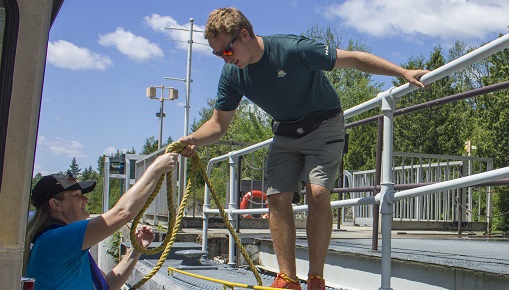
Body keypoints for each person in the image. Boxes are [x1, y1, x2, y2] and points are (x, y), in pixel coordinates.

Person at [175, 7, 428, 290]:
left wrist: (402, 72)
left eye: (226, 51)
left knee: (318, 193)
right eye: (218, 54)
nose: (226, 59)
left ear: (244, 35)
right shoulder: (233, 75)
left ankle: (316, 278)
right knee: (276, 197)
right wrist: (192, 139)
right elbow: (218, 125)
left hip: (324, 124)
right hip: (285, 130)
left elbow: (355, 60)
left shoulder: (292, 49)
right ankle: (288, 278)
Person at [25, 153, 178, 290]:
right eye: (77, 195)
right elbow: (123, 213)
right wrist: (155, 169)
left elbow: (108, 284)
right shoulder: (57, 240)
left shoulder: (63, 245)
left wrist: (135, 251)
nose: (85, 199)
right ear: (56, 204)